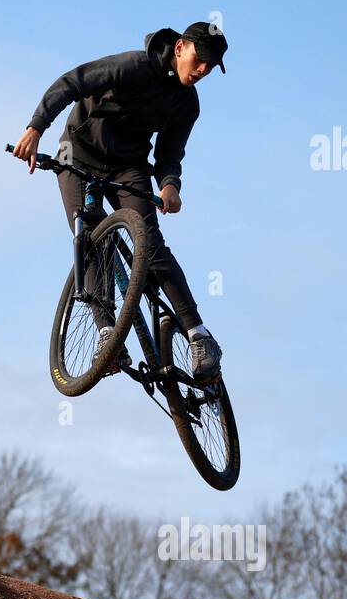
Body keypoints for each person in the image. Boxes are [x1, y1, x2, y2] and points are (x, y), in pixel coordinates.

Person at [12, 21, 227, 380]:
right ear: (179, 48)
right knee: (90, 238)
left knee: (151, 243)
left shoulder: (187, 104)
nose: (203, 70)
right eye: (200, 59)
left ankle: (198, 335)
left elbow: (169, 154)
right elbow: (71, 83)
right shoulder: (131, 67)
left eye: (210, 65)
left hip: (128, 166)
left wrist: (170, 184)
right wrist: (36, 127)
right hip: (77, 153)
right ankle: (107, 334)